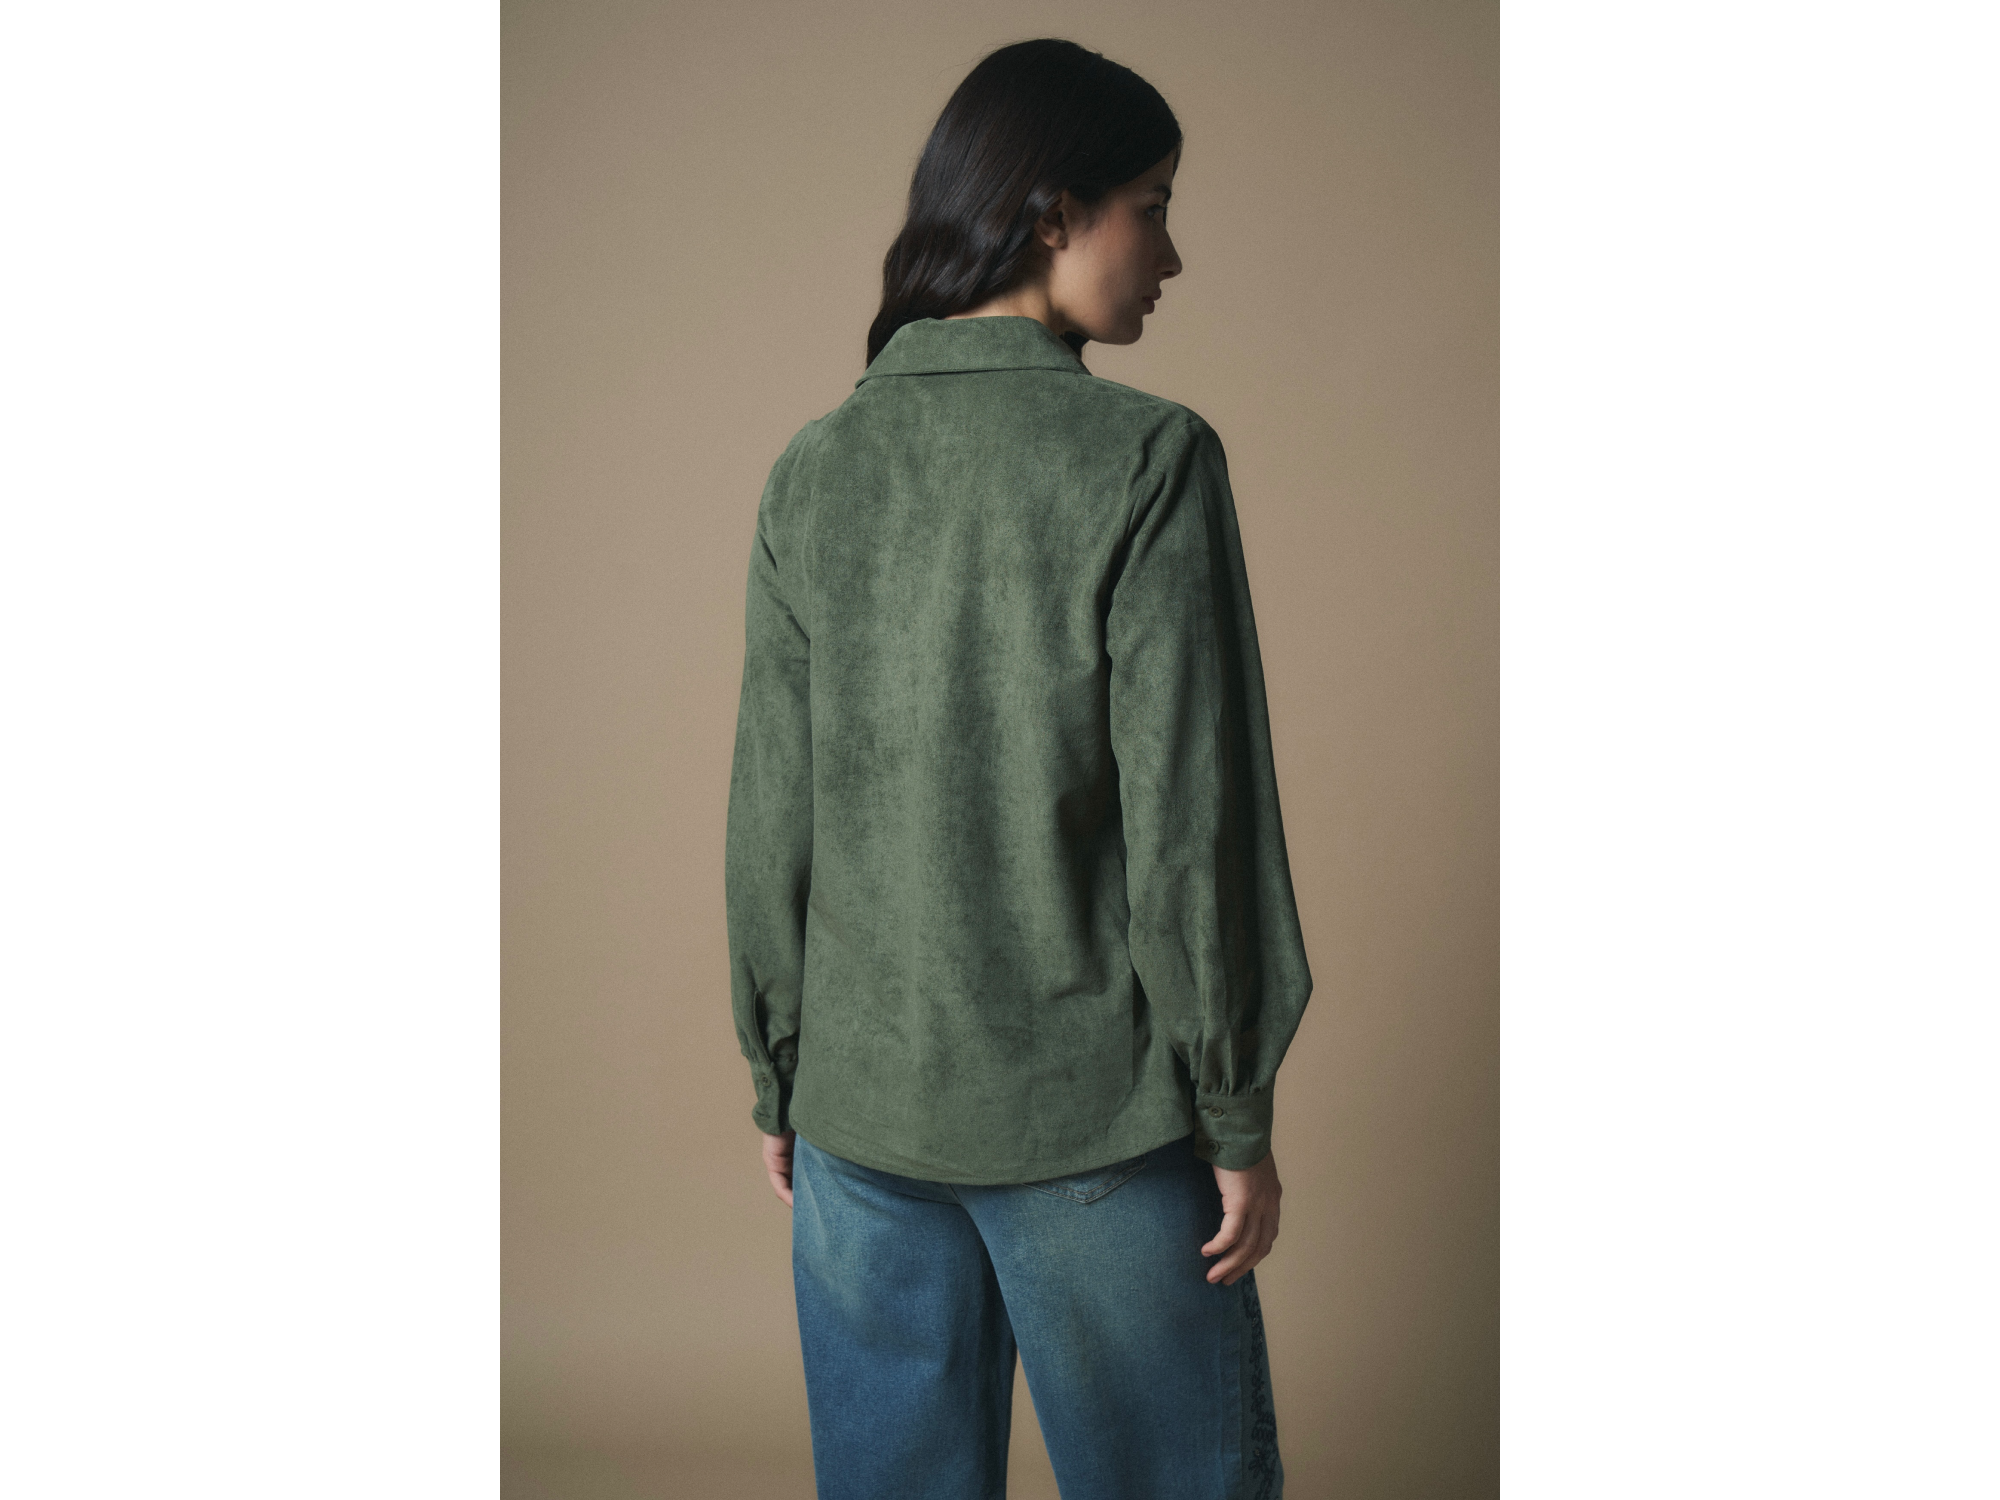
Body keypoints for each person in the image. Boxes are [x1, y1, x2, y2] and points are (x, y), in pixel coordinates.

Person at [725, 38, 1311, 1500]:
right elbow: (1194, 826)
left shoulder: (815, 466)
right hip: (1090, 1118)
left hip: (860, 1123)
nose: (1170, 254)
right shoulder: (1147, 460)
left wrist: (780, 1071)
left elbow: (771, 816)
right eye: (1152, 207)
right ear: (1053, 212)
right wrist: (1236, 1112)